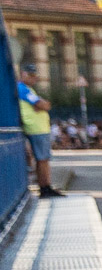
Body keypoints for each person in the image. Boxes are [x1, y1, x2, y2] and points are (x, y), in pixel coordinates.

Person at [16, 63, 62, 197]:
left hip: (39, 128)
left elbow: (44, 105)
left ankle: (46, 186)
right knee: (42, 159)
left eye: (36, 76)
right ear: (23, 74)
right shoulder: (22, 89)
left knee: (44, 159)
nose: (34, 79)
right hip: (36, 128)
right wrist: (42, 105)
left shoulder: (28, 89)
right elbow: (42, 104)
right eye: (31, 75)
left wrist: (42, 105)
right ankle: (45, 187)